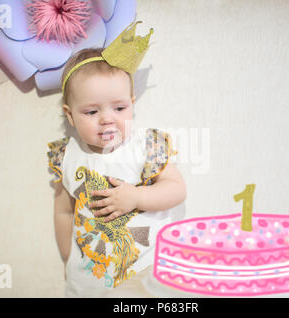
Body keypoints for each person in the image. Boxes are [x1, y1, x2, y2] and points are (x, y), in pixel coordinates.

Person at [46, 23, 186, 297]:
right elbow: (63, 211)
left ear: (132, 104)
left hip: (145, 274)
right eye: (91, 111)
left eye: (119, 107)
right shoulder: (68, 156)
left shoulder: (145, 145)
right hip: (88, 281)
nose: (107, 118)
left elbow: (176, 189)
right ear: (70, 115)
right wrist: (68, 259)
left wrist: (136, 197)